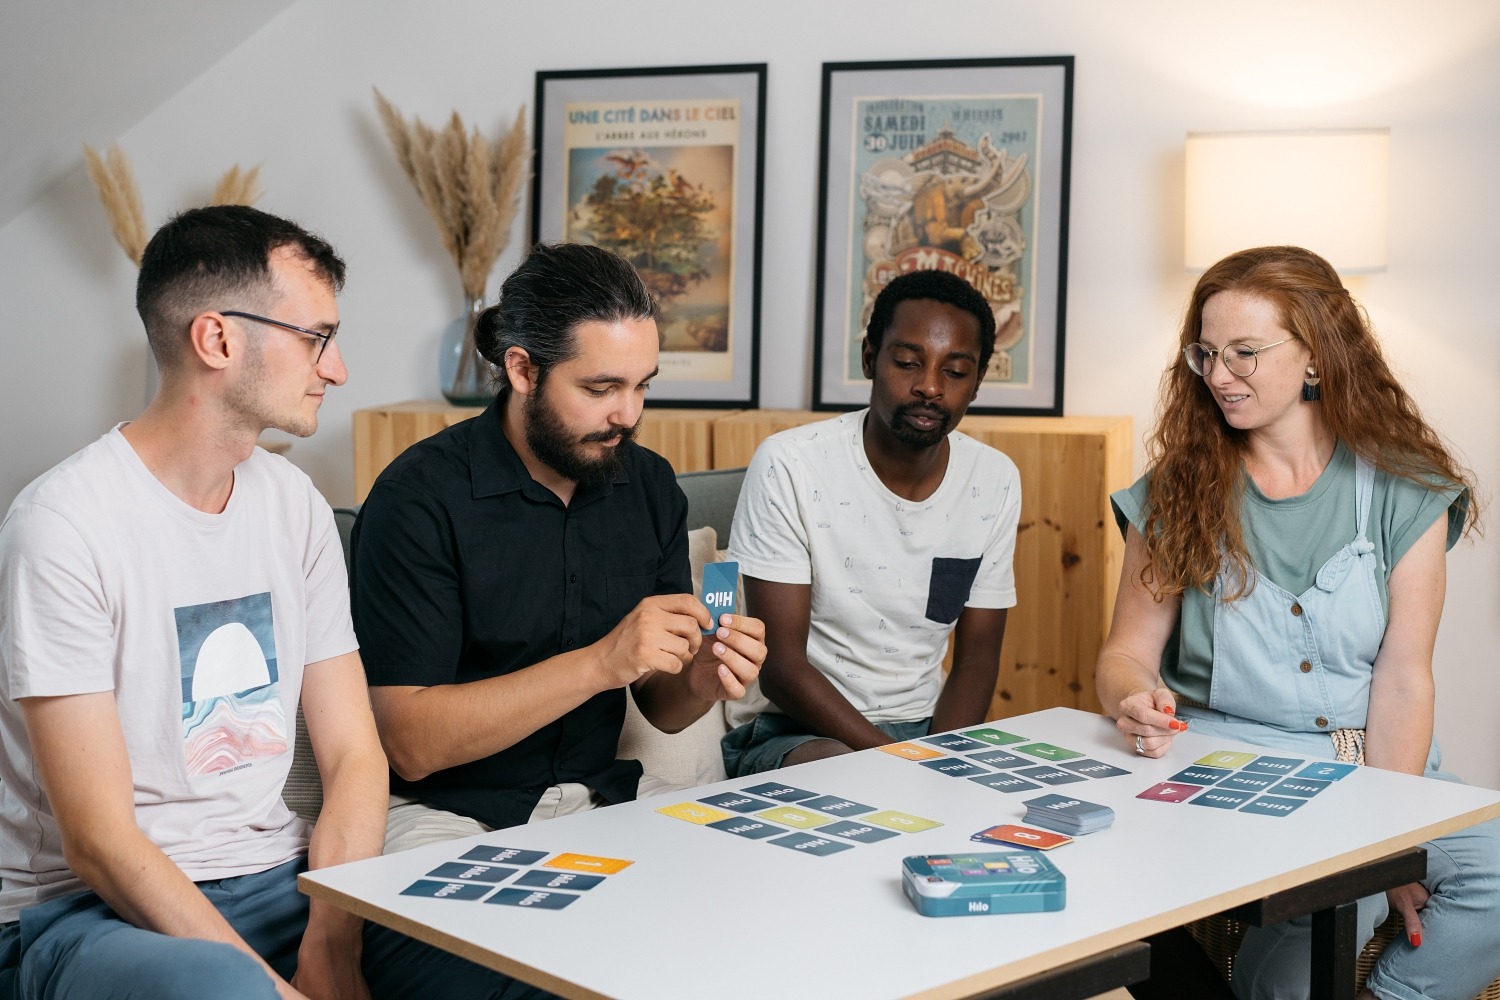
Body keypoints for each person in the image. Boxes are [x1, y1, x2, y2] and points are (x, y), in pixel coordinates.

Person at [0, 205, 523, 1000]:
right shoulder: (62, 526)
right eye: (317, 338)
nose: (337, 368)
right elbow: (100, 843)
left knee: (514, 957)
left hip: (279, 885)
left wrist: (334, 939)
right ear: (217, 340)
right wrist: (275, 992)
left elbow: (354, 756)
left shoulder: (293, 504)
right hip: (80, 917)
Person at [1096, 245, 1500, 1000]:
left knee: (1496, 881)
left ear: (1316, 357)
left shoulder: (1405, 489)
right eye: (1207, 353)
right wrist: (1132, 696)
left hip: (1381, 769)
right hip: (1228, 769)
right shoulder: (1178, 489)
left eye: (1246, 353)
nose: (1219, 375)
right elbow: (1125, 653)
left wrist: (1393, 843)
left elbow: (1405, 678)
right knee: (1304, 961)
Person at [351, 242, 766, 854]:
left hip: (607, 805)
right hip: (444, 813)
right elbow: (411, 746)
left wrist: (699, 679)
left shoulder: (648, 485)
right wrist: (601, 663)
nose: (627, 414)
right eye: (600, 389)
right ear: (522, 370)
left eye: (641, 386)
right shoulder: (418, 500)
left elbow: (662, 704)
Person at [720, 268, 1021, 776]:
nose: (928, 385)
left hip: (927, 733)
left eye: (955, 371)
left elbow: (976, 661)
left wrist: (943, 764)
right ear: (870, 358)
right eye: (907, 362)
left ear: (977, 382)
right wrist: (901, 765)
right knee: (847, 776)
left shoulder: (995, 480)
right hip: (797, 730)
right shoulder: (791, 464)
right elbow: (782, 671)